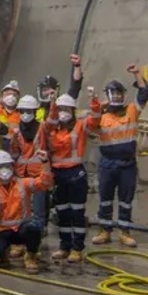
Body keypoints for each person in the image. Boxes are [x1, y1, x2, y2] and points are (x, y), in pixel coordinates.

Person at [89, 65, 148, 248]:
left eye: (119, 93)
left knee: (126, 200)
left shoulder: (132, 110)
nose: (116, 96)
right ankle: (104, 231)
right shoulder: (100, 117)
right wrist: (95, 103)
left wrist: (137, 74)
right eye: (112, 93)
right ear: (107, 96)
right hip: (107, 165)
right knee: (105, 199)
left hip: (127, 165)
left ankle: (124, 232)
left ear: (124, 95)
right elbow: (90, 124)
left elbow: (144, 94)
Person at [0, 149, 53, 273]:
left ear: (12, 167)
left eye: (6, 166)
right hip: (1, 230)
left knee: (34, 228)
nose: (4, 170)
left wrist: (45, 163)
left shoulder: (23, 183)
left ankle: (31, 255)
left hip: (21, 229)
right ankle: (4, 252)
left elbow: (45, 183)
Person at [46, 93, 90, 263]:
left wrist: (93, 101)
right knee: (62, 212)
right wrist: (51, 103)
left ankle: (77, 248)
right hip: (59, 175)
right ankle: (65, 246)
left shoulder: (80, 126)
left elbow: (94, 120)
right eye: (60, 109)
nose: (63, 112)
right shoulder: (52, 129)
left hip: (76, 174)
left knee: (77, 213)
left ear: (73, 111)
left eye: (66, 109)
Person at [7, 94, 47, 256]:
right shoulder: (17, 132)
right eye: (22, 111)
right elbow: (14, 152)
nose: (25, 114)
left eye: (29, 111)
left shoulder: (42, 129)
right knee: (21, 211)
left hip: (38, 176)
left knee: (38, 213)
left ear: (35, 111)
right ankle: (19, 243)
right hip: (21, 176)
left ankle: (33, 247)